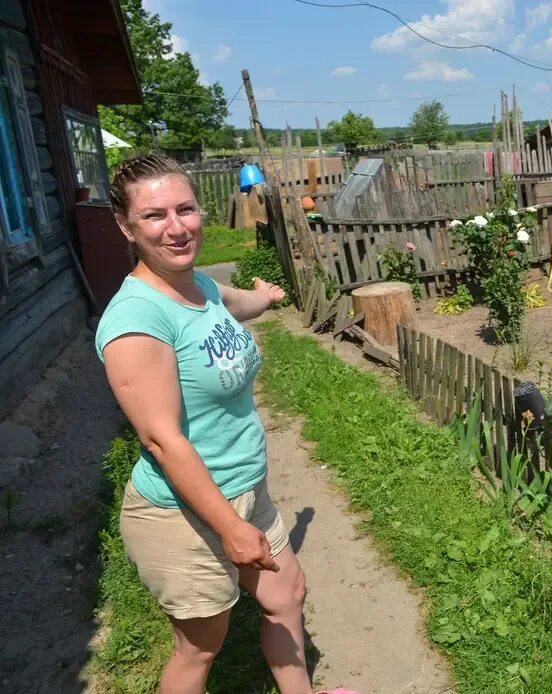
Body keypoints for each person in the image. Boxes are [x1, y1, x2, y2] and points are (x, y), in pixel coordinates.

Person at [95, 154, 357, 694]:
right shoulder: (136, 321)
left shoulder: (200, 288)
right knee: (200, 647)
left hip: (245, 488)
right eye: (154, 216)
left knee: (287, 597)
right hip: (184, 512)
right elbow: (161, 441)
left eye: (185, 209)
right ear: (126, 226)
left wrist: (266, 297)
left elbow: (233, 304)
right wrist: (231, 528)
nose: (176, 227)